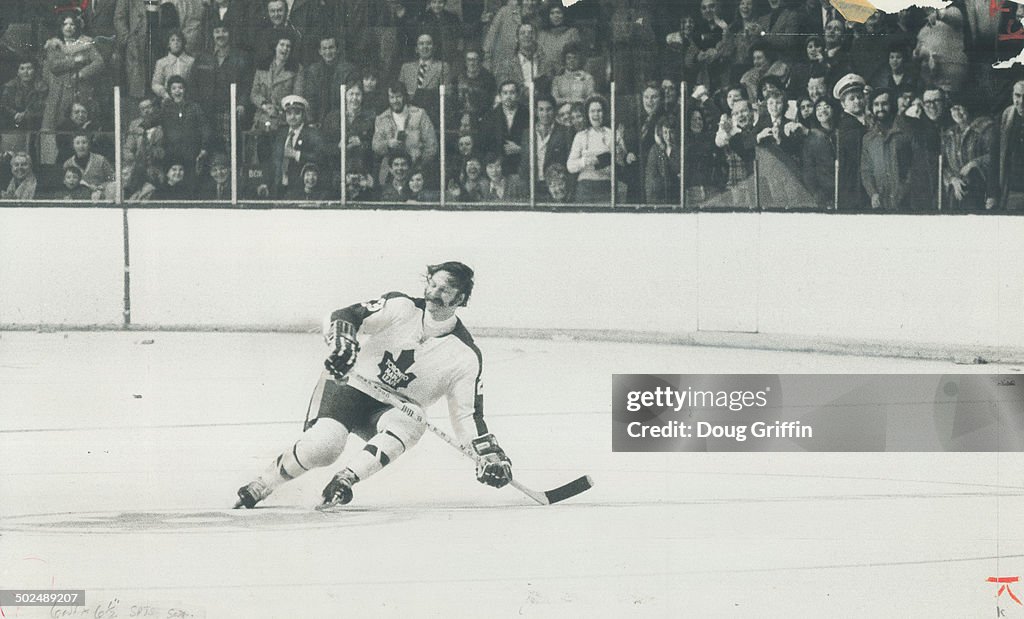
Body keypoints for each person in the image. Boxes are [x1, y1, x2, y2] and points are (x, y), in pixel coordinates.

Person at [235, 262, 512, 509]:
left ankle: (345, 480)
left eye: (446, 289)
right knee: (324, 446)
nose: (434, 293)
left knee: (413, 419)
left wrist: (487, 456)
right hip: (351, 386)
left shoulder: (465, 355)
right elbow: (347, 315)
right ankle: (263, 483)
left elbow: (467, 415)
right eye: (433, 284)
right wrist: (343, 343)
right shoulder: (401, 306)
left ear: (461, 298)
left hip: (395, 408)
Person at [257, 95, 325, 198]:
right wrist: (266, 183)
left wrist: (297, 154)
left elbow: (320, 157)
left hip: (300, 190)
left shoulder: (312, 134)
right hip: (278, 188)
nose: (292, 117)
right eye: (289, 113)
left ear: (303, 115)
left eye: (297, 113)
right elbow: (273, 162)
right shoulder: (280, 133)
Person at [566, 95, 626, 204]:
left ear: (604, 113)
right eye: (592, 111)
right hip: (585, 187)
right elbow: (570, 166)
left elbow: (620, 164)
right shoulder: (580, 136)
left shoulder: (612, 134)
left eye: (599, 111)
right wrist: (586, 161)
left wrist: (617, 152)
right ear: (587, 114)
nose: (596, 115)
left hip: (607, 187)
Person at [988, 80, 1024, 211]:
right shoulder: (1005, 118)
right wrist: (992, 195)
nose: (1021, 101)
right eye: (1018, 95)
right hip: (1012, 191)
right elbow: (995, 157)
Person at [151, 30, 195, 101]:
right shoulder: (161, 62)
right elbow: (155, 84)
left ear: (183, 43)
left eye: (178, 40)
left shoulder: (191, 61)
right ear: (168, 44)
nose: (176, 42)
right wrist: (165, 95)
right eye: (172, 40)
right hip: (167, 99)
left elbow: (193, 82)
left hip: (187, 99)